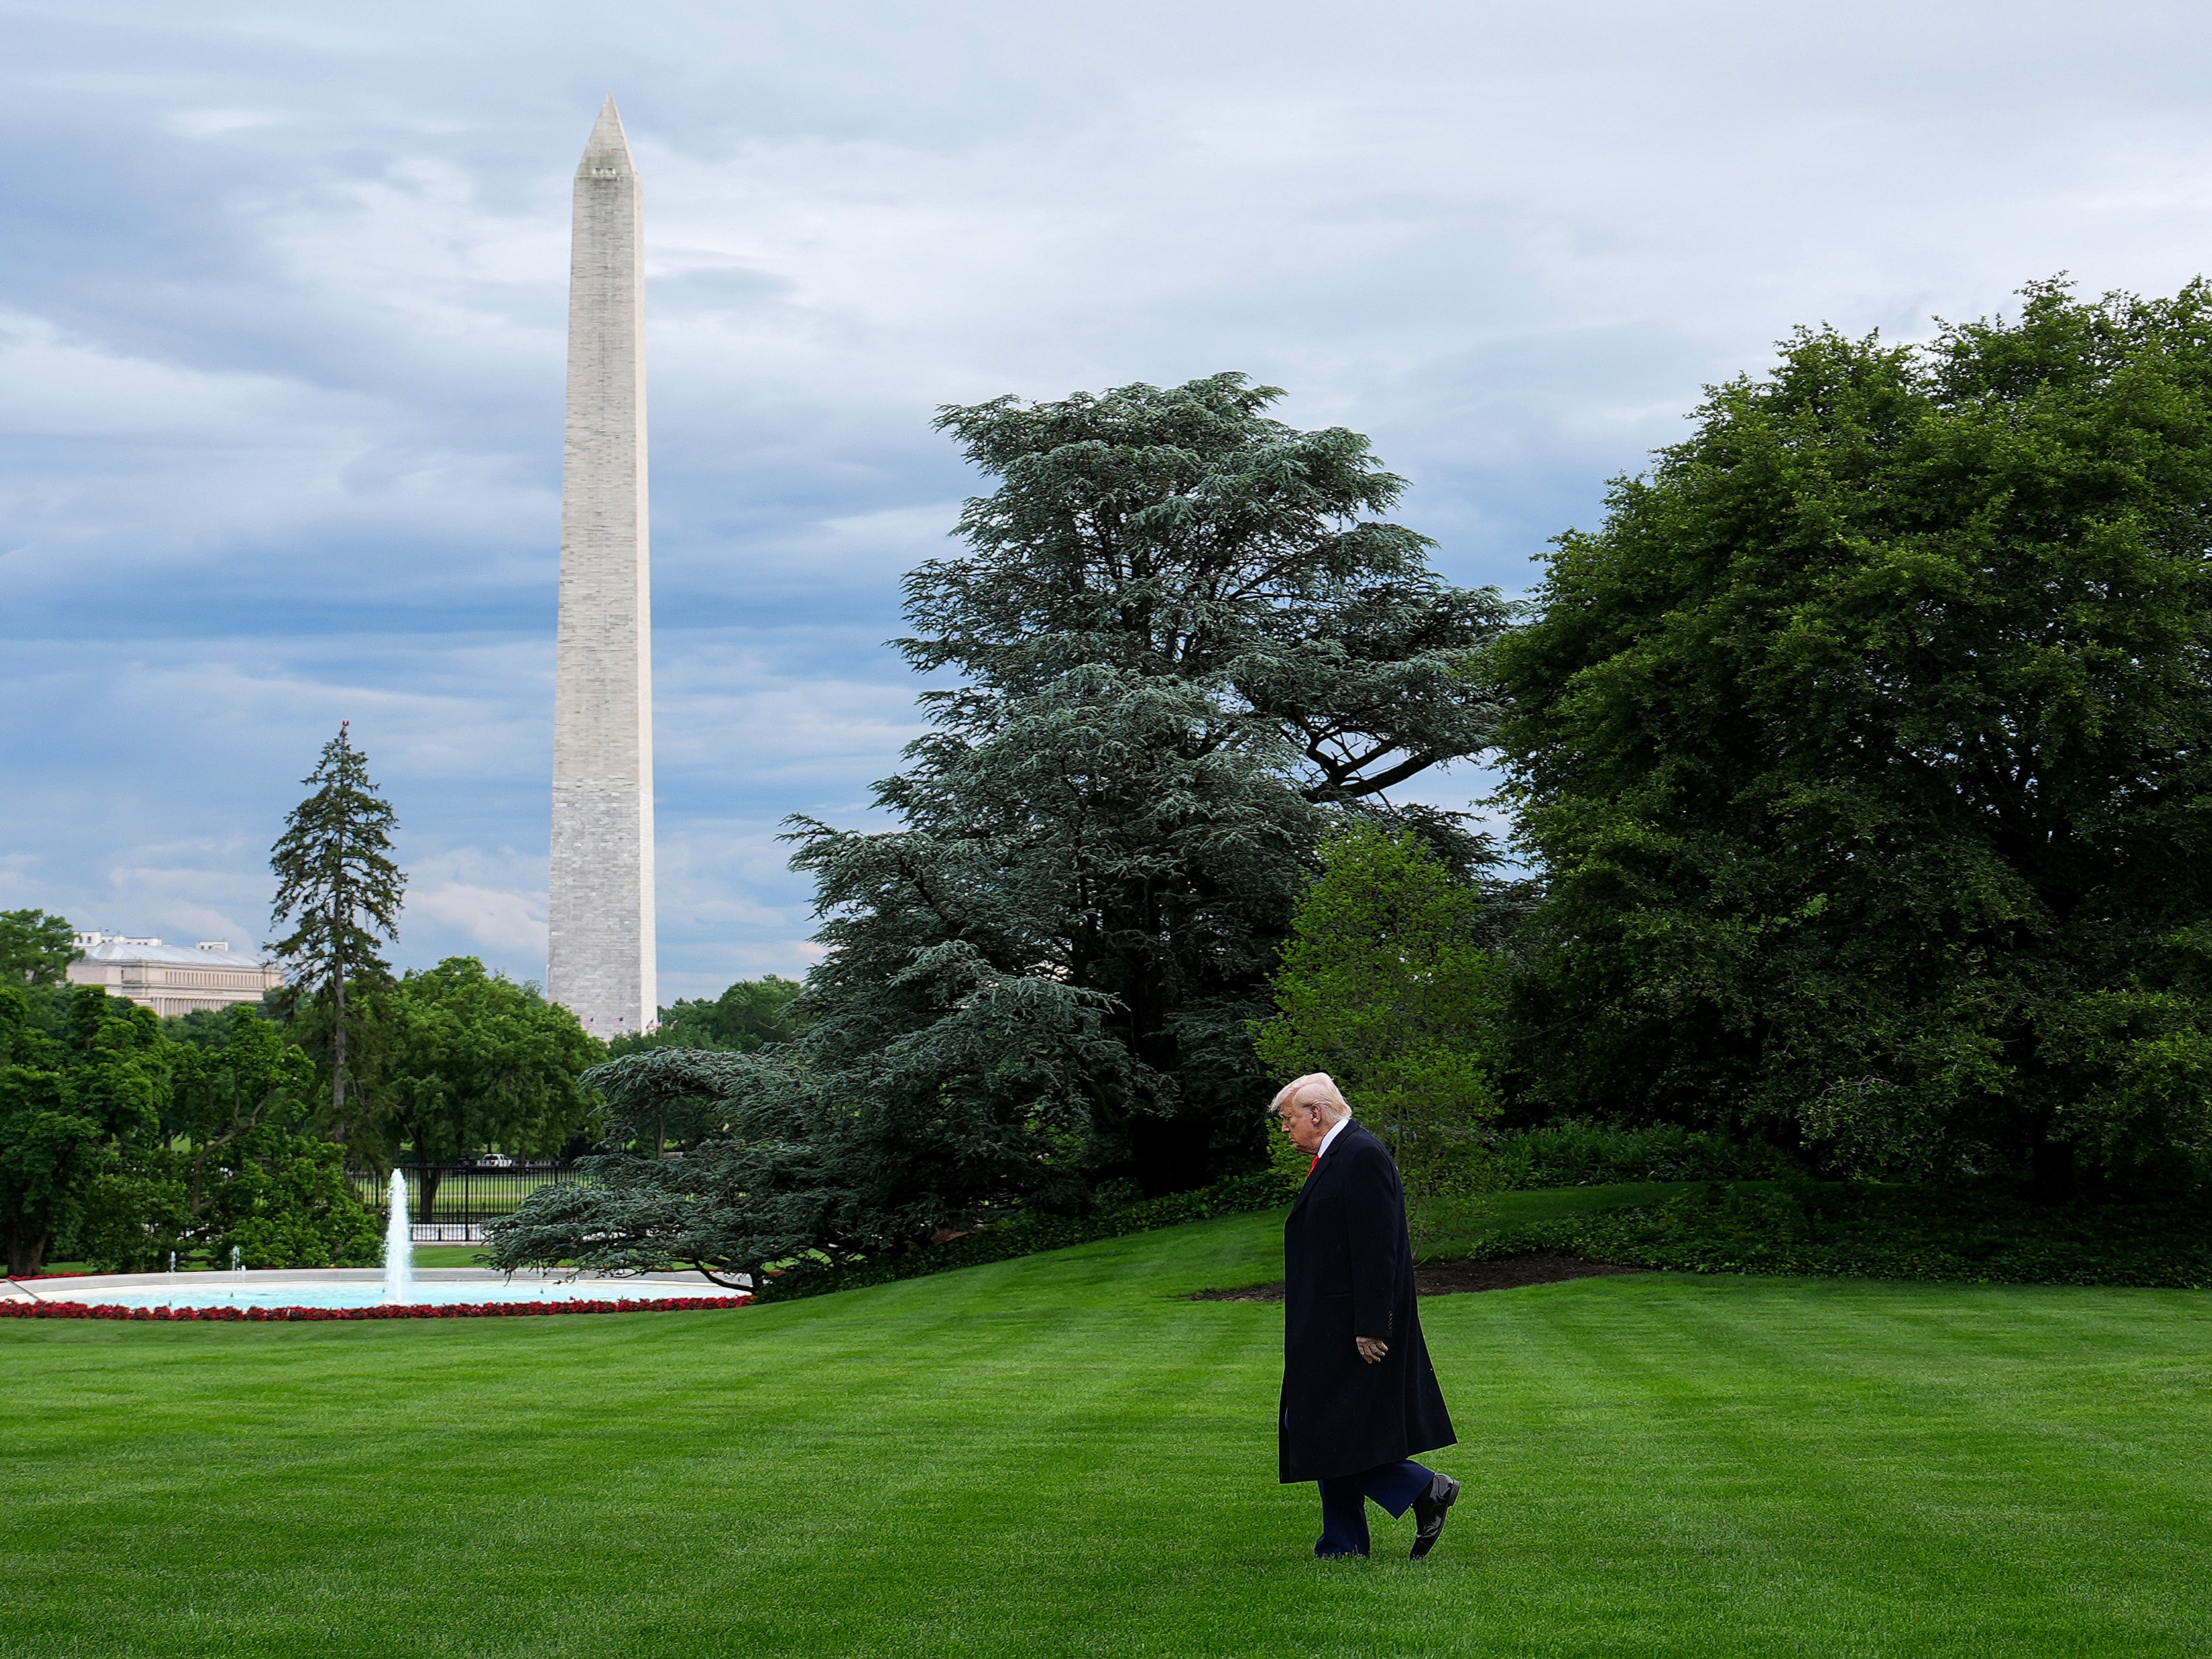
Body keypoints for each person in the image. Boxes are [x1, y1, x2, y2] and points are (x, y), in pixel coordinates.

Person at [1275, 1072, 1461, 1560]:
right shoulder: (1339, 1155)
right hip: (1327, 1325)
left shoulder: (1361, 1155)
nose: (1284, 1129)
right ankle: (1342, 1544)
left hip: (1349, 1327)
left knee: (1315, 1424)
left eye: (1288, 1118)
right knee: (1331, 1425)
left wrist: (1372, 1325)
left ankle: (1424, 1488)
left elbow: (1379, 1249)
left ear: (1316, 1112)